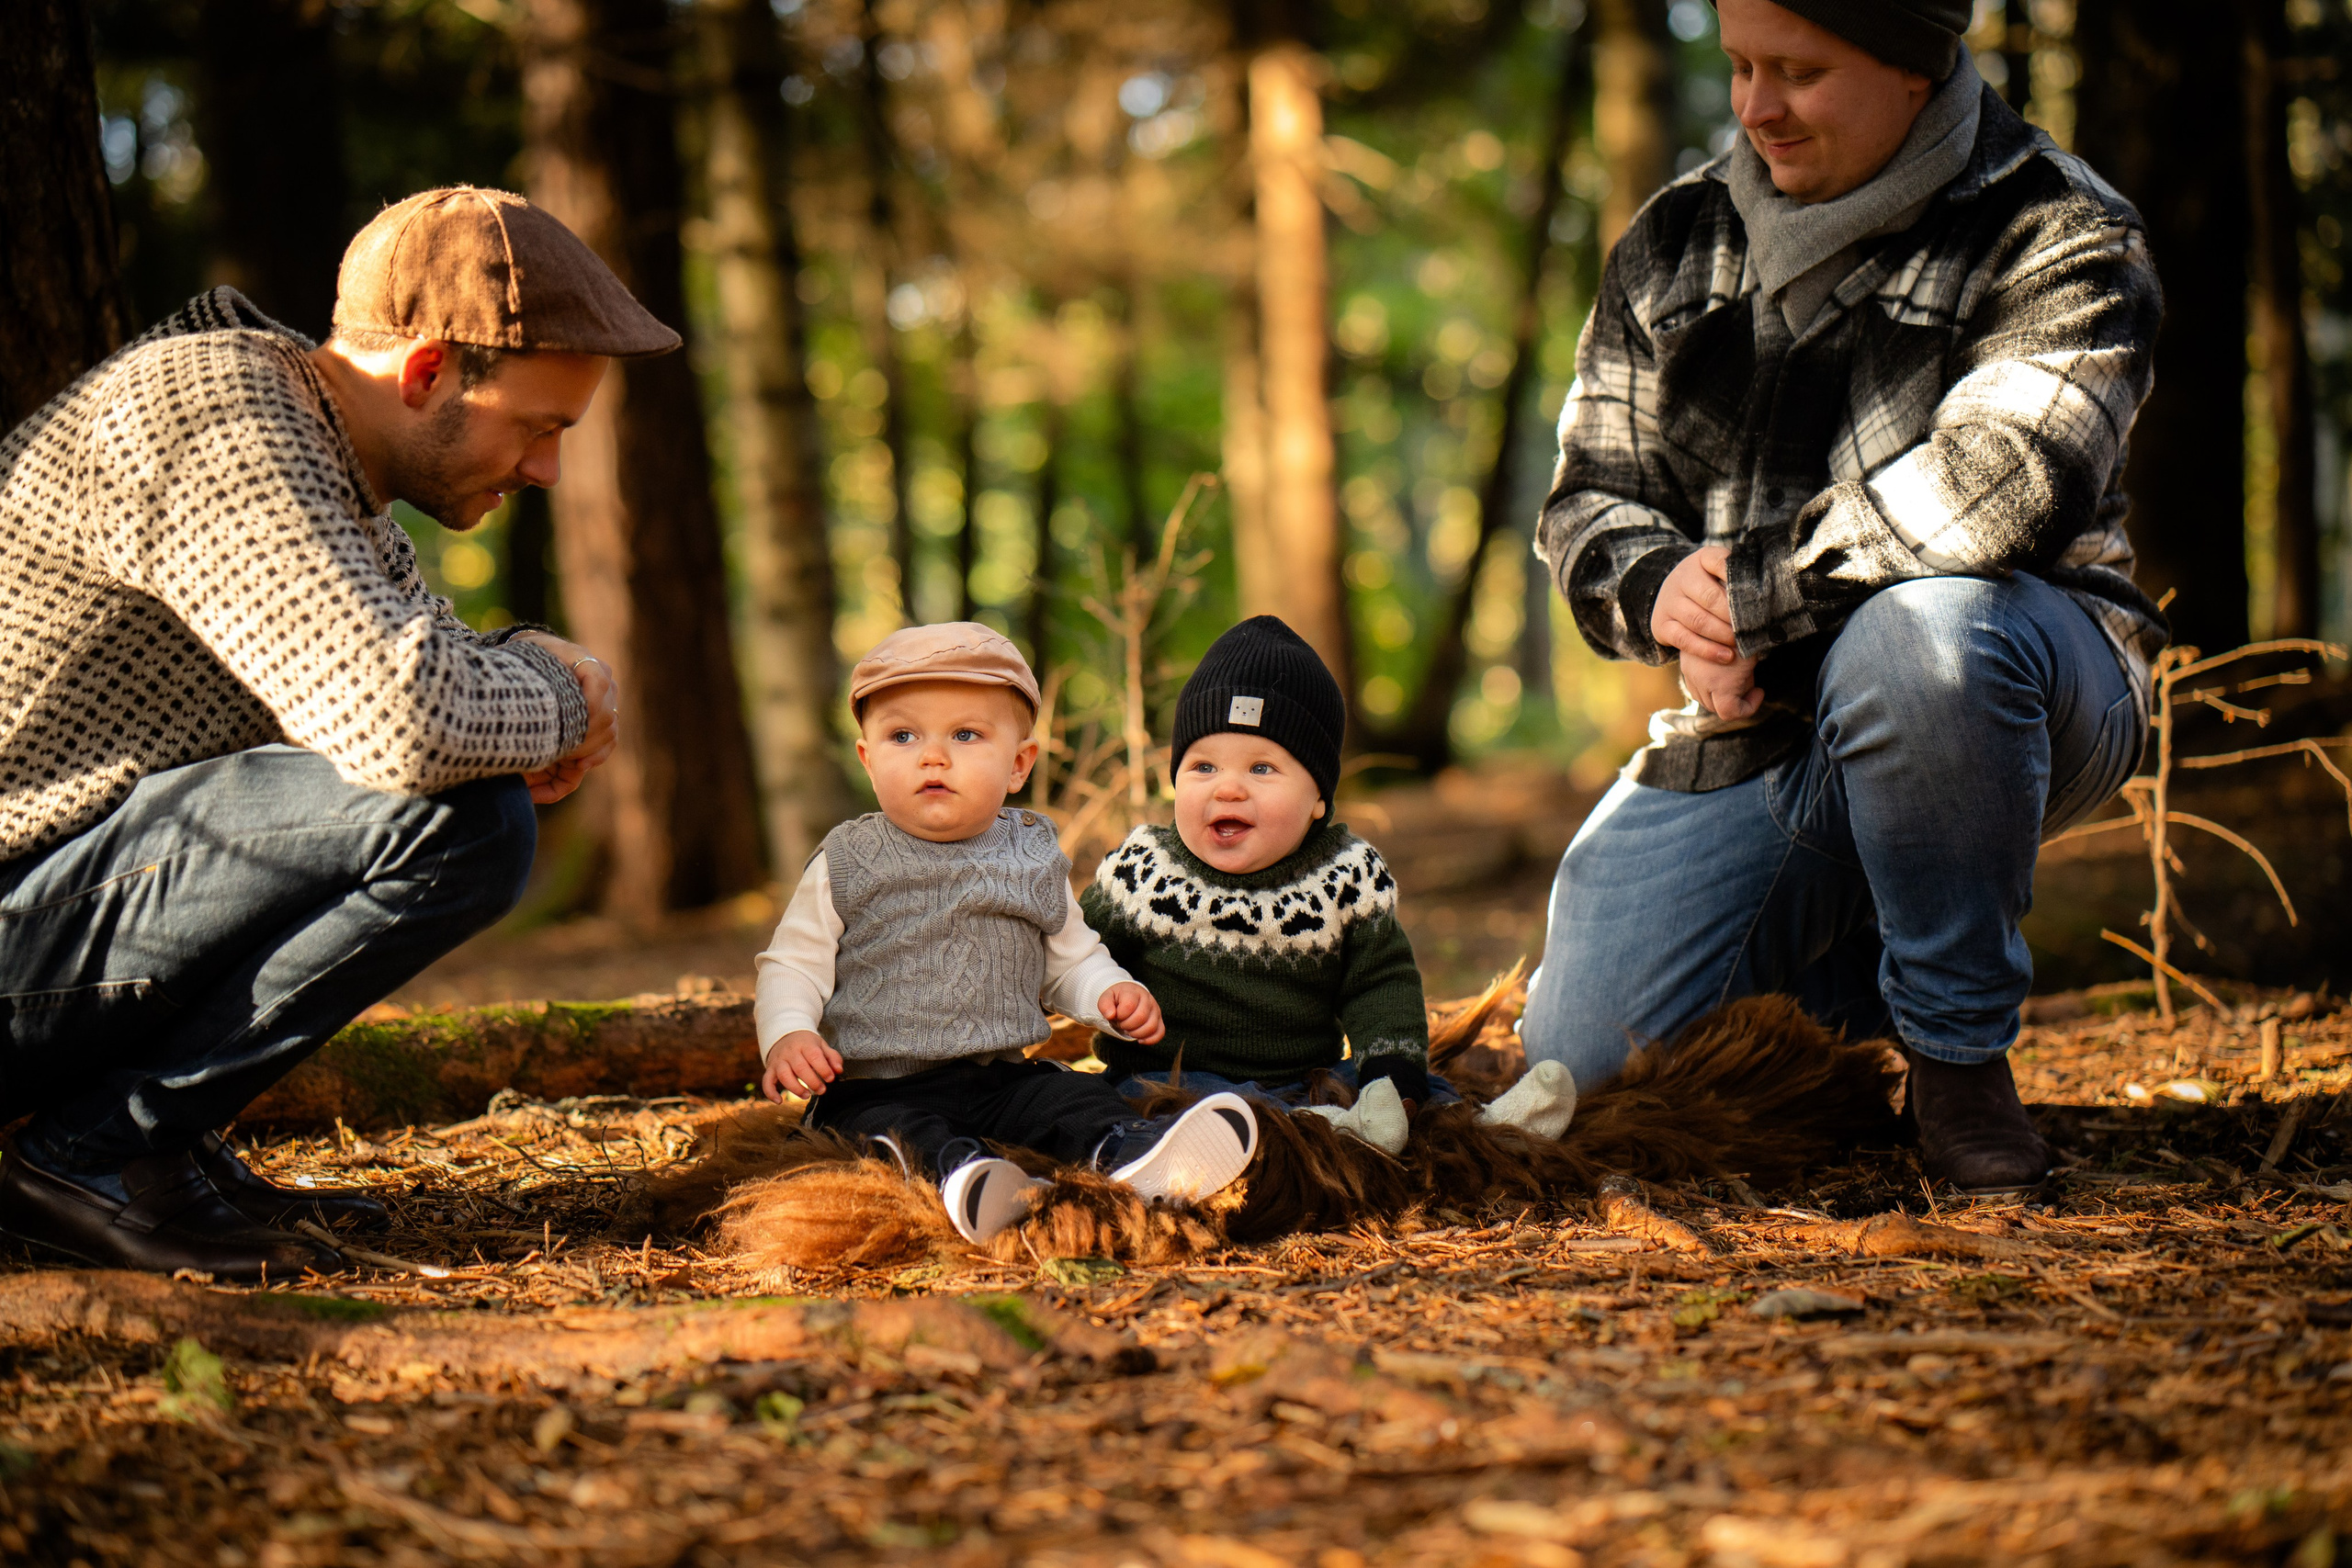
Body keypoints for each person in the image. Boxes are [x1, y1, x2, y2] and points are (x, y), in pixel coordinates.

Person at [1520, 0, 2164, 1192]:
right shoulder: (1674, 240)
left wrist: (1753, 594)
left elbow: (2003, 481)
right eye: (1741, 66)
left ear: (1912, 68)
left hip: (2012, 668)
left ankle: (1957, 1053)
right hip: (1761, 722)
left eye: (1801, 72)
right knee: (1583, 1067)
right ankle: (1872, 972)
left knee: (1917, 639)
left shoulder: (2058, 229)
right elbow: (1586, 497)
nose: (1756, 107)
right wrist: (1666, 591)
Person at [0, 187, 654, 1279]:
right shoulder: (215, 424)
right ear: (428, 371)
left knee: (452, 800)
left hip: (44, 918)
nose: (546, 471)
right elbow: (410, 720)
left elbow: (424, 662)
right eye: (537, 428)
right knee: (452, 818)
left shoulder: (322, 453)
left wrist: (541, 667)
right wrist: (565, 697)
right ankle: (84, 1159)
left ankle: (153, 1155)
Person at [752, 622, 1259, 1245]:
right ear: (867, 756)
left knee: (1070, 1099)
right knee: (889, 1134)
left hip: (998, 1077)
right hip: (872, 1085)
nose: (932, 756)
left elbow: (1069, 956)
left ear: (1019, 763)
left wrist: (1106, 992)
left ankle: (1134, 1154)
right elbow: (792, 965)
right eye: (902, 735)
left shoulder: (1030, 852)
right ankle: (968, 1179)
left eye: (965, 734)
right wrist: (789, 1032)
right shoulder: (850, 857)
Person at [1080, 616, 1578, 1155]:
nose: (1227, 788)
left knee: (1396, 1084)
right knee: (1178, 1106)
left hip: (1303, 1075)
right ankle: (1330, 1132)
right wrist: (1099, 993)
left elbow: (1380, 981)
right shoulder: (1143, 872)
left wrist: (1393, 1069)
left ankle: (1484, 1129)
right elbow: (1073, 948)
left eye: (1262, 769)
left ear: (1318, 799)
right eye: (1202, 766)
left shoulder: (1343, 877)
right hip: (1174, 1079)